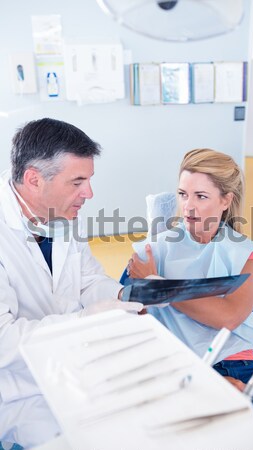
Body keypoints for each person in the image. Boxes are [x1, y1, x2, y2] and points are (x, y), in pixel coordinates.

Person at [127, 148, 253, 447]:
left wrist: (158, 284)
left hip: (240, 367)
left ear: (225, 200)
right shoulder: (156, 248)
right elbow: (131, 317)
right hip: (177, 370)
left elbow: (229, 316)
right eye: (183, 194)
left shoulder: (244, 251)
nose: (188, 206)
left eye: (201, 196)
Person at [0, 118, 142, 449]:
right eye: (77, 181)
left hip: (70, 367)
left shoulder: (58, 215)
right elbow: (3, 341)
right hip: (16, 390)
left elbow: (87, 278)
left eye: (89, 180)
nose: (88, 193)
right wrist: (82, 322)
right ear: (34, 179)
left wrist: (123, 294)